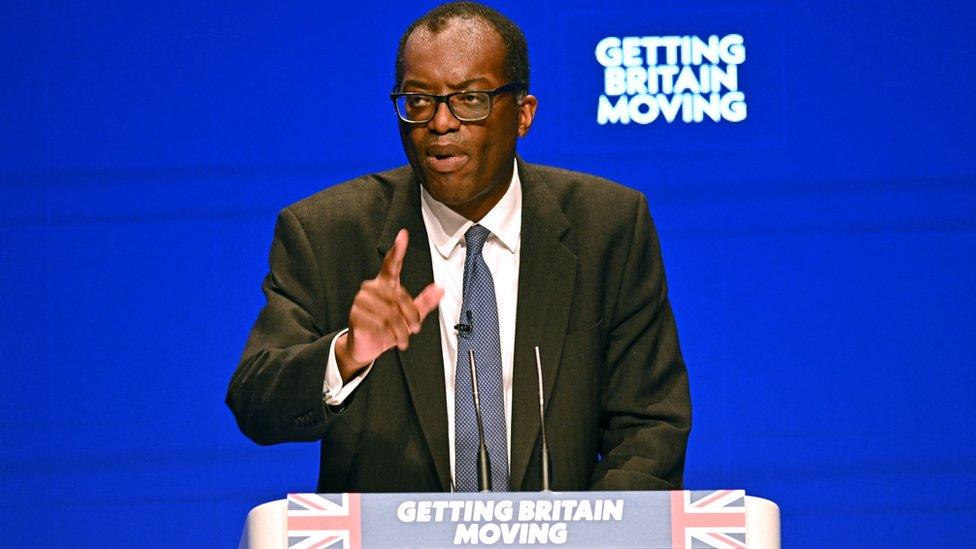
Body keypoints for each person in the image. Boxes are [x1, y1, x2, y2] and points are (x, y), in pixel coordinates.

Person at [226, 1, 690, 493]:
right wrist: (348, 353)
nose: (440, 123)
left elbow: (649, 425)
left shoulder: (608, 226)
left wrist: (590, 538)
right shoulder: (327, 233)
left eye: (470, 99)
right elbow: (256, 402)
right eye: (419, 100)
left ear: (523, 114)